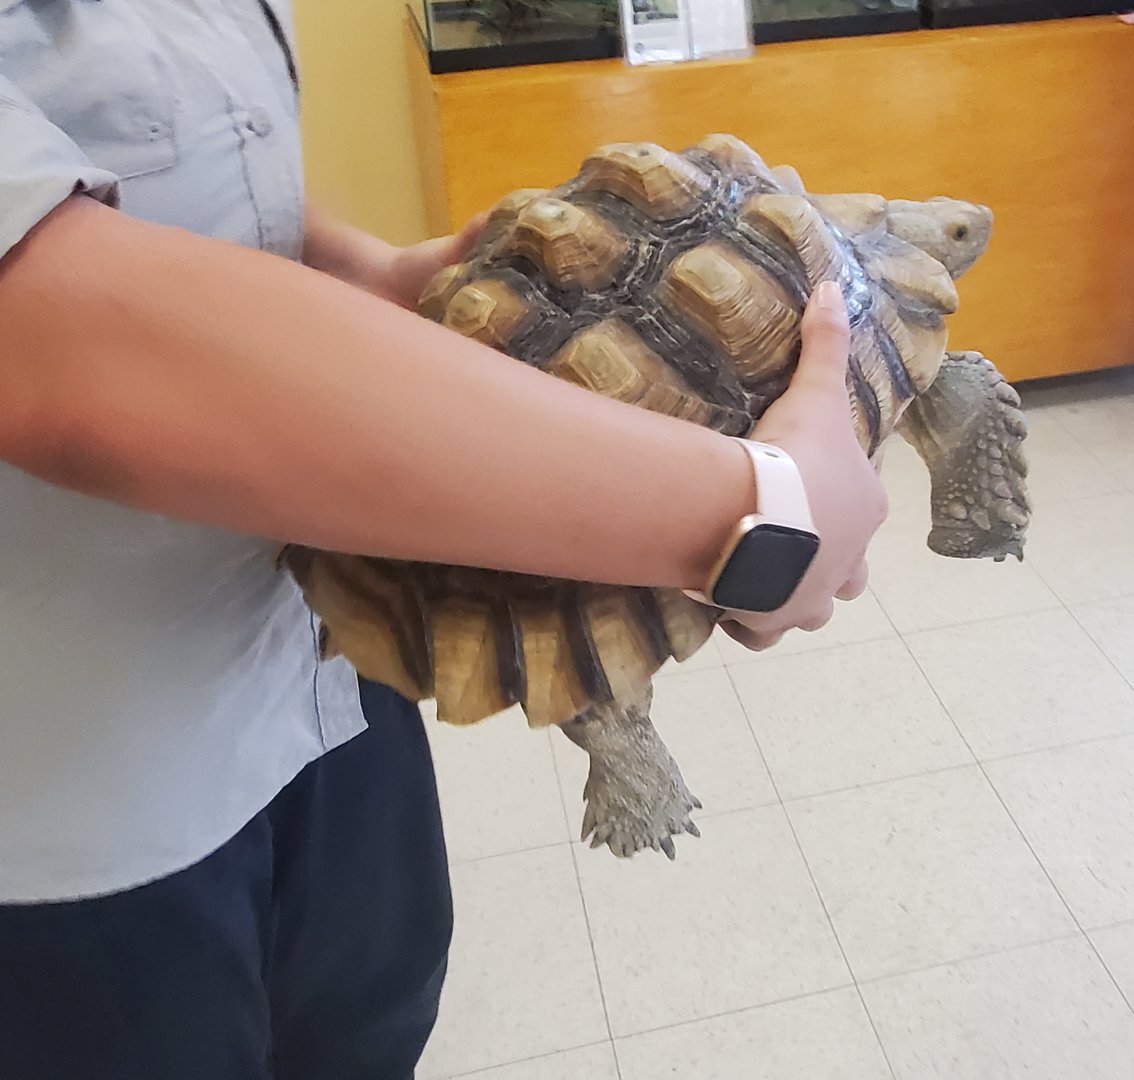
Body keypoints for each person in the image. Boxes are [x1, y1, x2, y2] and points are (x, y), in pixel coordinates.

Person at [0, 3, 886, 1078]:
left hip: (317, 643)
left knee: (367, 1030)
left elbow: (145, 134)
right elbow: (51, 339)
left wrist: (348, 269)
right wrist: (754, 516)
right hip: (69, 791)